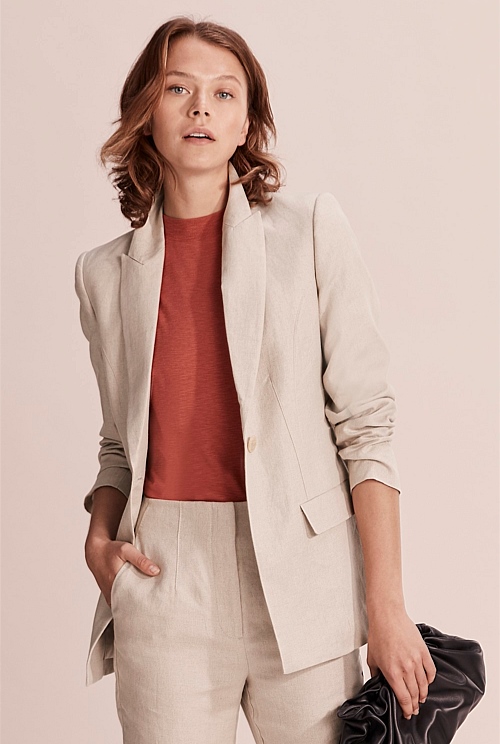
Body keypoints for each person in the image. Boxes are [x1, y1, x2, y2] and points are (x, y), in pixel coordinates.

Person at [74, 15, 436, 744]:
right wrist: (98, 539)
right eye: (178, 88)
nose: (201, 109)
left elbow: (365, 426)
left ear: (246, 123)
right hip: (165, 576)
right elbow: (119, 443)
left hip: (303, 576)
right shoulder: (102, 274)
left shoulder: (310, 234)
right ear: (147, 110)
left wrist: (387, 606)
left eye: (223, 93)